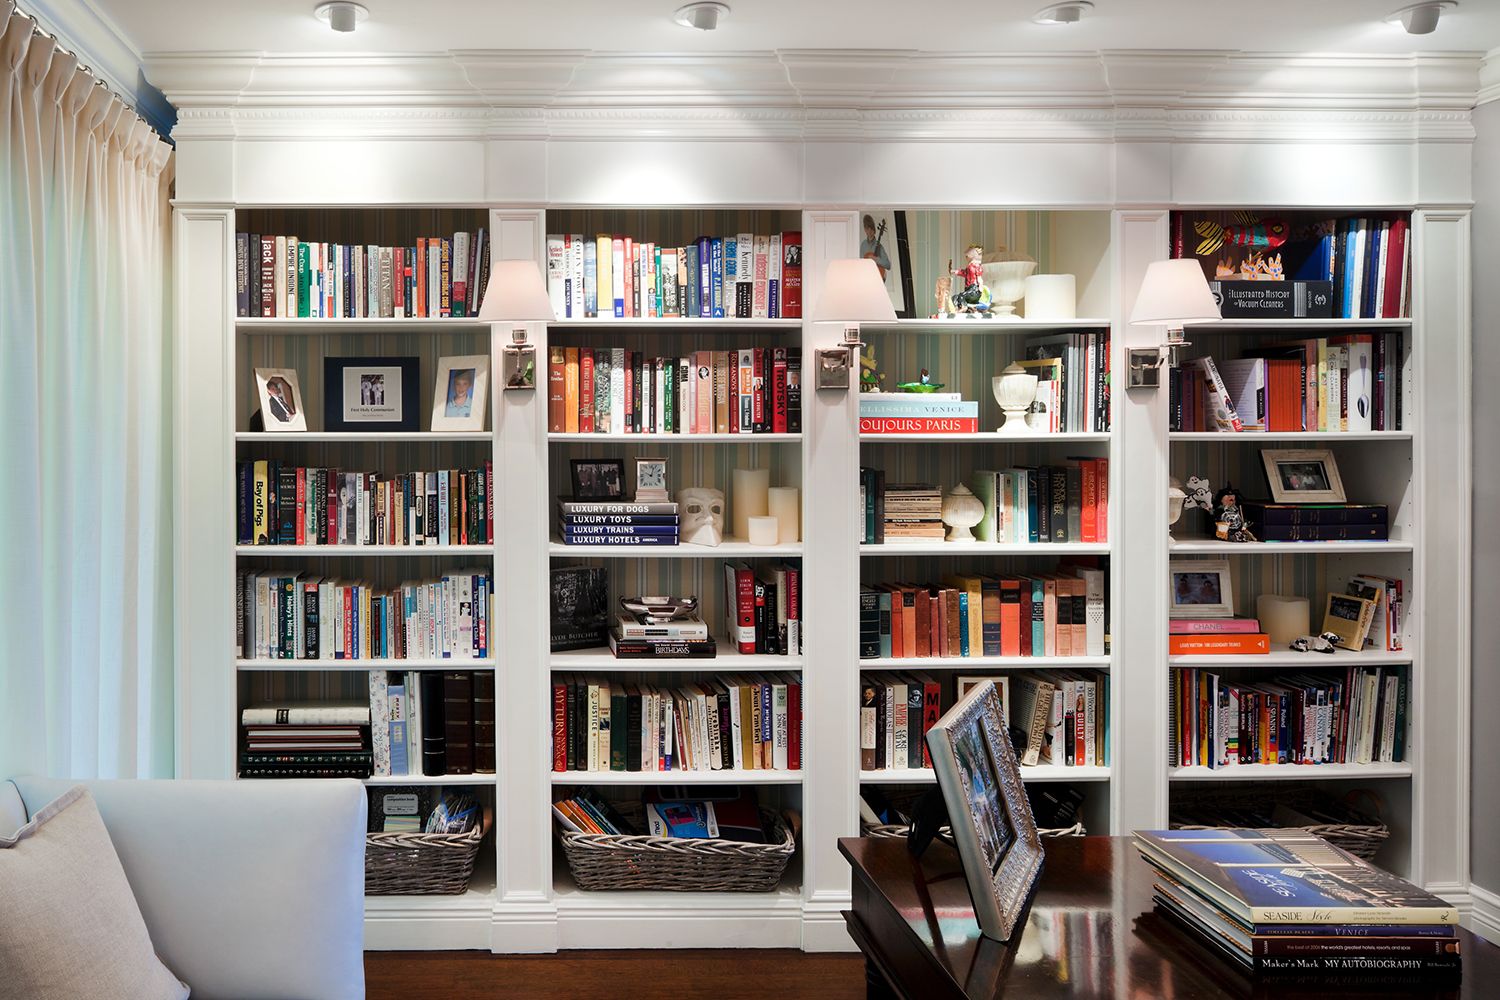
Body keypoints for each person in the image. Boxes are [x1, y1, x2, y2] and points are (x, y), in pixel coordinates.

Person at [950, 243, 989, 313]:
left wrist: (980, 288)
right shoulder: (970, 266)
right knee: (955, 297)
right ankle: (960, 309)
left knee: (961, 296)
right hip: (969, 289)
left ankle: (964, 307)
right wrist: (954, 271)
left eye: (968, 253)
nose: (966, 255)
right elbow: (964, 273)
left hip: (974, 290)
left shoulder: (976, 266)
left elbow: (979, 277)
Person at [860, 214, 891, 281]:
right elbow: (861, 264)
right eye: (867, 228)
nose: (870, 231)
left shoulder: (879, 246)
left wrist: (876, 259)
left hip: (878, 278)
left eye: (871, 228)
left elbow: (888, 265)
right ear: (865, 229)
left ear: (874, 229)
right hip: (867, 278)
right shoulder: (863, 245)